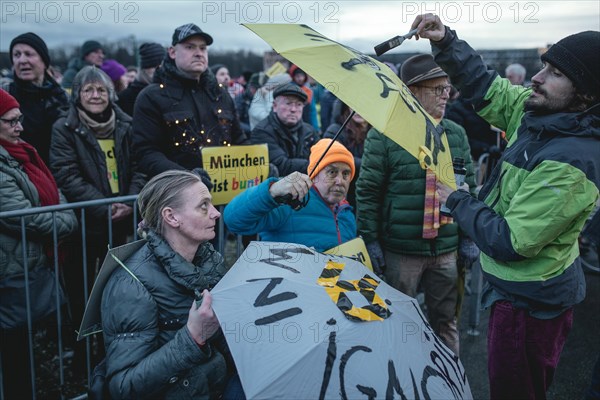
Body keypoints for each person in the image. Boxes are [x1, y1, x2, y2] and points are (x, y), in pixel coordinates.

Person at [413, 13, 600, 399]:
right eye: (544, 65)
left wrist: (457, 199)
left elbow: (511, 241)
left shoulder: (573, 160)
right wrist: (446, 41)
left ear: (586, 94)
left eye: (556, 73)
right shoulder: (540, 113)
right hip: (515, 292)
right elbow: (486, 87)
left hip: (529, 304)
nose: (537, 76)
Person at [356, 54, 475, 356]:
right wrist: (370, 240)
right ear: (412, 91)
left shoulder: (456, 134)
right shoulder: (383, 136)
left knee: (446, 322)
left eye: (448, 88)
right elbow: (368, 191)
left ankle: (450, 382)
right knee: (400, 323)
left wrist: (469, 237)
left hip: (446, 250)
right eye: (438, 89)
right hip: (401, 251)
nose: (446, 94)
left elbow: (469, 189)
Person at [101, 170, 236, 399]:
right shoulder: (131, 285)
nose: (215, 214)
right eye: (203, 206)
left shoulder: (206, 263)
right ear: (171, 217)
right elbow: (122, 387)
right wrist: (193, 336)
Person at [49, 66, 146, 370]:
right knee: (81, 290)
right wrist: (104, 207)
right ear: (77, 95)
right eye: (88, 90)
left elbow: (141, 165)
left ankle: (112, 349)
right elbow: (66, 174)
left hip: (122, 221)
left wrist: (131, 201)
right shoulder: (64, 127)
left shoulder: (127, 125)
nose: (95, 95)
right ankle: (82, 354)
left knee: (116, 290)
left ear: (110, 93)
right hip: (85, 224)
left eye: (101, 90)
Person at [0, 89, 77, 399]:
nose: (20, 127)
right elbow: (22, 216)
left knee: (27, 347)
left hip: (31, 263)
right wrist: (66, 222)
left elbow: (55, 191)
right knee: (14, 350)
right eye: (10, 122)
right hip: (12, 270)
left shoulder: (23, 153)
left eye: (20, 120)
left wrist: (63, 214)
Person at [132, 23, 246, 178]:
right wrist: (187, 178)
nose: (199, 53)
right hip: (175, 196)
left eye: (203, 48)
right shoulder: (151, 97)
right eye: (190, 47)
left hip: (226, 193)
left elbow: (239, 141)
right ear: (172, 52)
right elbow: (146, 153)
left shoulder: (221, 95)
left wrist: (262, 165)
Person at [224, 138, 356, 252]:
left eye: (346, 174)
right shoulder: (291, 202)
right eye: (332, 172)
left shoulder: (347, 214)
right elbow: (233, 220)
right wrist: (272, 191)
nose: (340, 181)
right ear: (314, 175)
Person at [4, 32, 69, 164]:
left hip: (58, 174)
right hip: (17, 177)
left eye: (29, 54)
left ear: (44, 61)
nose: (22, 60)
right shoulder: (5, 95)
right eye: (17, 55)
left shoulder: (62, 97)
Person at [251, 82, 319, 177]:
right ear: (275, 106)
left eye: (299, 104)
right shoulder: (262, 131)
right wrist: (314, 165)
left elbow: (321, 157)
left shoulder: (309, 131)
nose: (293, 109)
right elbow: (281, 166)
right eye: (288, 103)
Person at [323, 102, 371, 207]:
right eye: (353, 104)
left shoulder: (376, 135)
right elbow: (335, 158)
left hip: (368, 194)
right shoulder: (336, 130)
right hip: (343, 194)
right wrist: (370, 164)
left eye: (365, 105)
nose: (358, 110)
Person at [116, 42, 166, 116]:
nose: (160, 70)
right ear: (145, 68)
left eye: (163, 66)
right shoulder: (125, 97)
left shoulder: (169, 90)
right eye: (155, 66)